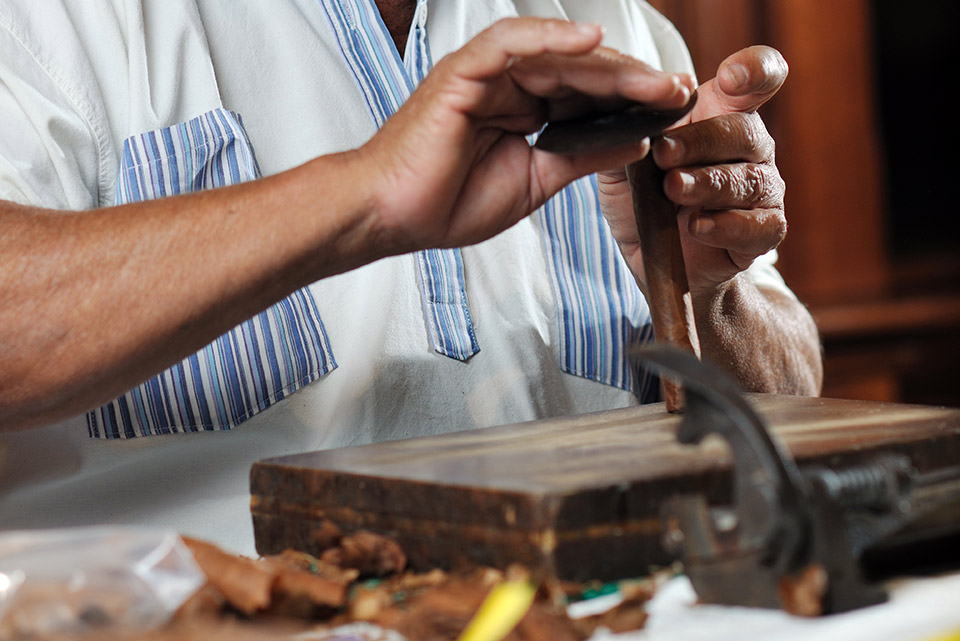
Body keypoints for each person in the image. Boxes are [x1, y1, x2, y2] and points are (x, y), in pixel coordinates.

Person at [0, 0, 821, 555]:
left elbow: (792, 394)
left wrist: (704, 293)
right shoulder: (54, 25)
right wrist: (364, 195)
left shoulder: (620, 29)